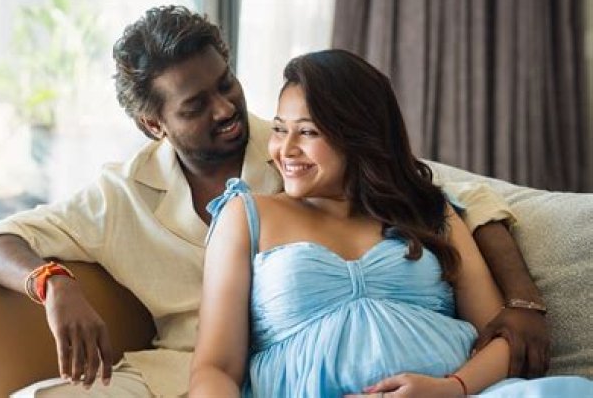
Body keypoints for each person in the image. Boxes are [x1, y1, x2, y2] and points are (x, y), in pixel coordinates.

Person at [0, 6, 548, 397]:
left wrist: (522, 302)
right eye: (195, 106)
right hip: (192, 369)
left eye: (227, 84)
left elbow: (458, 198)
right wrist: (52, 282)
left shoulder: (303, 147)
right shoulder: (120, 195)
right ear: (153, 125)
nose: (225, 110)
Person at [189, 49, 592, 397]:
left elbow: (500, 337)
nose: (285, 149)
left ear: (358, 135)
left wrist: (451, 388)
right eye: (280, 129)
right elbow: (215, 368)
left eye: (308, 132)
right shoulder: (246, 215)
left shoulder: (429, 211)